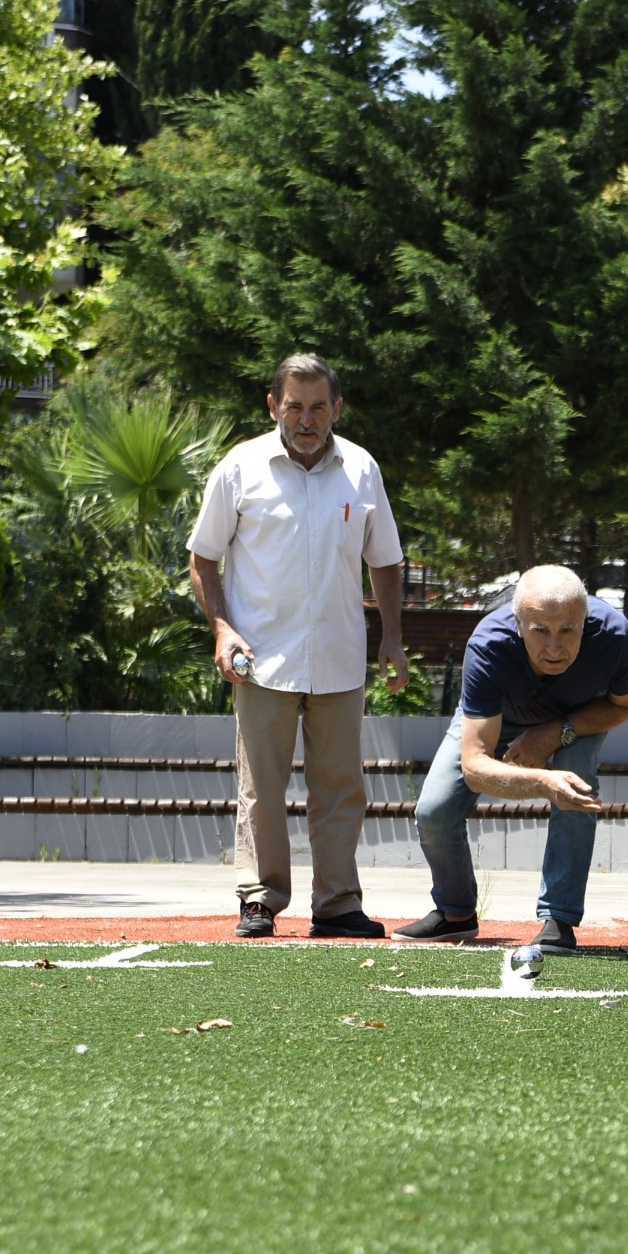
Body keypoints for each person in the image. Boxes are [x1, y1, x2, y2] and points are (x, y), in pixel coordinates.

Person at [186, 352, 410, 939]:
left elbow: (384, 560)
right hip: (260, 661)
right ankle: (260, 898)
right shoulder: (239, 468)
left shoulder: (362, 470)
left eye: (318, 407)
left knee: (341, 790)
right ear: (273, 407)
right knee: (261, 788)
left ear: (336, 408)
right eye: (294, 407)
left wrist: (392, 637)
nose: (306, 419)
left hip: (340, 658)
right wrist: (221, 628)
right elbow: (203, 556)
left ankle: (337, 904)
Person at [400, 565, 628, 950]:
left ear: (586, 621)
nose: (554, 647)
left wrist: (555, 733)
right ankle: (455, 913)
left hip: (576, 718)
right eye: (540, 630)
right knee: (434, 810)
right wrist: (544, 782)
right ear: (518, 623)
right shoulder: (488, 644)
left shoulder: (614, 635)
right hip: (498, 717)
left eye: (568, 629)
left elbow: (625, 705)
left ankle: (559, 919)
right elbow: (476, 768)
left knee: (578, 782)